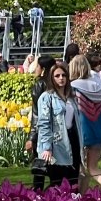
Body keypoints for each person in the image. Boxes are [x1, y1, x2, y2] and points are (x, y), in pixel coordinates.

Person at [69, 55, 101, 193]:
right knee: (93, 166)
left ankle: (79, 195)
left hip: (81, 130)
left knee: (80, 168)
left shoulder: (72, 87)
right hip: (99, 130)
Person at [35, 63, 79, 188]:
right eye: (57, 76)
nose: (61, 78)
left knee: (72, 180)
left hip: (72, 140)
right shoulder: (46, 97)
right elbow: (44, 123)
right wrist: (47, 147)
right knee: (58, 182)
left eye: (64, 75)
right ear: (51, 78)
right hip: (56, 143)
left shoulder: (71, 97)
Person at [27, 54, 57, 192]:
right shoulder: (57, 83)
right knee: (54, 165)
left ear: (43, 68)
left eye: (38, 66)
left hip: (42, 130)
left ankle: (38, 193)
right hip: (57, 130)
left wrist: (31, 137)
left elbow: (36, 114)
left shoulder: (39, 84)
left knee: (40, 164)